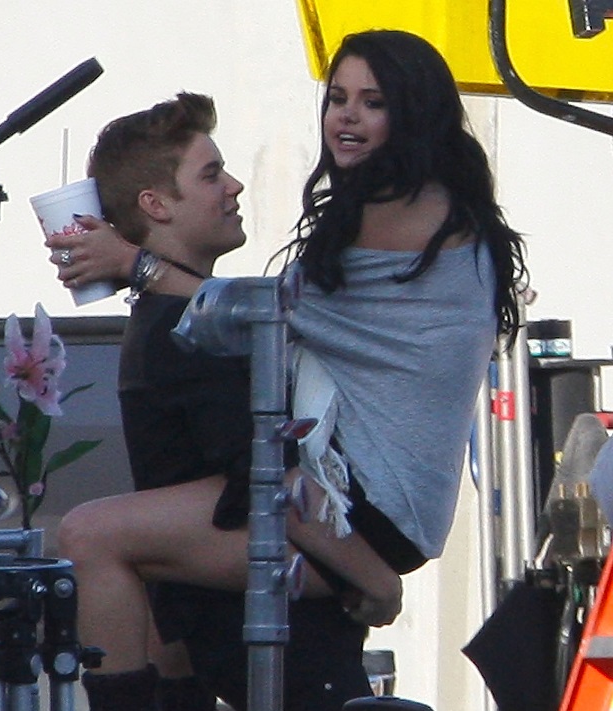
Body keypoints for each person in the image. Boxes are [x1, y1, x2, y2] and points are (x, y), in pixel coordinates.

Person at [48, 29, 527, 711]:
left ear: (414, 115)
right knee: (162, 591)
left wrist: (135, 263)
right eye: (338, 99)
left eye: (372, 102)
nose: (346, 117)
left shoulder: (400, 211)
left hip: (361, 505)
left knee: (90, 534)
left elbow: (267, 313)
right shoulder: (425, 206)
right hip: (377, 505)